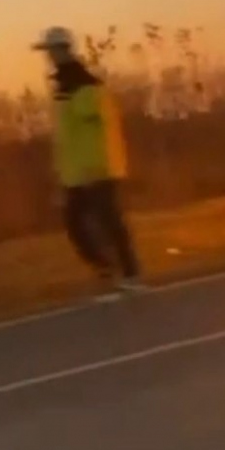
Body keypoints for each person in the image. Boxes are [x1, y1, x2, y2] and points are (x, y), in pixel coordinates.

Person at [33, 26, 145, 293]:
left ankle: (130, 273)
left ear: (62, 50)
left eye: (50, 51)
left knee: (109, 221)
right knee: (75, 225)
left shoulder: (84, 86)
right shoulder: (64, 86)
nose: (48, 56)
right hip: (76, 172)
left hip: (95, 169)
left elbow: (100, 129)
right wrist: (62, 173)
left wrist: (95, 168)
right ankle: (108, 269)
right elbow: (68, 136)